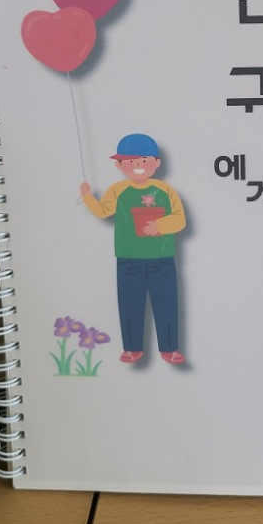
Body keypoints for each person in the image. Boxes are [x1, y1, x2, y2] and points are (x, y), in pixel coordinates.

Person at [80, 133, 187, 365]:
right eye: (130, 161)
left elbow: (179, 219)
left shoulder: (165, 190)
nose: (138, 165)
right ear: (119, 165)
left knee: (166, 303)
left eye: (144, 160)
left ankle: (170, 348)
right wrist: (87, 197)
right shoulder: (117, 190)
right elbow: (103, 211)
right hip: (128, 258)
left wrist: (160, 225)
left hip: (162, 258)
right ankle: (132, 348)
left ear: (156, 163)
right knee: (129, 304)